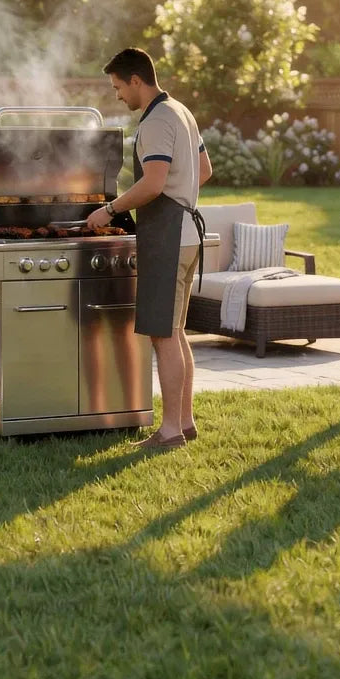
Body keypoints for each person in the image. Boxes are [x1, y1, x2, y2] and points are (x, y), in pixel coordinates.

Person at [85, 48, 212, 451]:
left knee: (162, 335)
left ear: (137, 80)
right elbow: (204, 171)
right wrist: (183, 194)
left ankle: (170, 430)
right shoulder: (182, 111)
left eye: (119, 86)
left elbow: (154, 183)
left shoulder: (156, 121)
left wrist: (109, 210)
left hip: (168, 238)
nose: (118, 95)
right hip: (187, 234)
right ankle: (185, 423)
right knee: (175, 332)